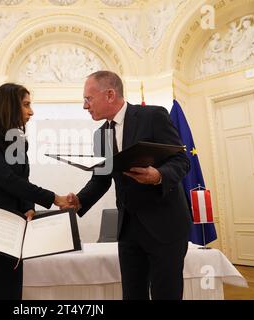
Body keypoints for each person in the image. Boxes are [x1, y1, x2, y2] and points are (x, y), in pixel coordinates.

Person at [66, 71, 191, 300]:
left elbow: (181, 160)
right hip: (128, 230)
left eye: (88, 99)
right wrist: (80, 200)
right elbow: (100, 179)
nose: (85, 106)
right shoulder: (100, 134)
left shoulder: (153, 115)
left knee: (167, 294)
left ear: (110, 94)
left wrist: (159, 175)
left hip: (165, 226)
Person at [0, 83, 69, 300]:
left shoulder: (18, 140)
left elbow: (21, 180)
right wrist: (54, 198)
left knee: (8, 288)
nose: (31, 111)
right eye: (26, 104)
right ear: (9, 105)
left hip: (13, 222)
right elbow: (5, 178)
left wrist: (28, 207)